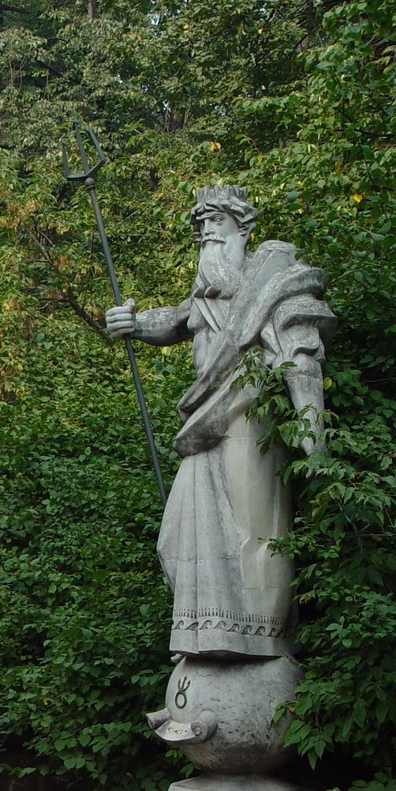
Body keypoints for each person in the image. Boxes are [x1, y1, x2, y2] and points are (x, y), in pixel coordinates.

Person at [105, 185, 335, 658]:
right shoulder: (207, 294)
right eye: (201, 225)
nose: (206, 232)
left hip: (252, 417)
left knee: (252, 531)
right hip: (202, 425)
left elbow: (300, 354)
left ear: (242, 228)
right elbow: (176, 320)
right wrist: (133, 321)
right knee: (176, 536)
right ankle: (204, 632)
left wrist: (313, 435)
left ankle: (260, 639)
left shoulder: (270, 281)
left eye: (216, 222)